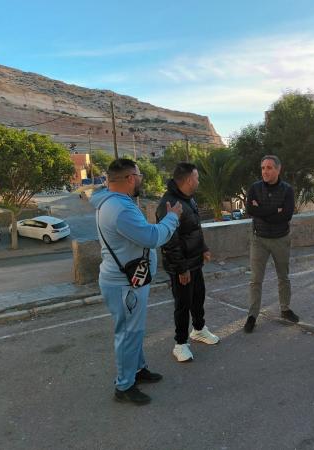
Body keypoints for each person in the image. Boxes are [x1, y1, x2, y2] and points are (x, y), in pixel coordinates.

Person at [90, 158, 182, 405]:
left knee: (133, 330)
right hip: (125, 285)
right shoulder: (121, 209)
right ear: (130, 178)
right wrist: (172, 217)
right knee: (128, 333)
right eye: (139, 175)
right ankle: (124, 385)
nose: (141, 179)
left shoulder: (111, 203)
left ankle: (138, 370)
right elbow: (152, 237)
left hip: (128, 281)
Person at [157, 162, 220, 363]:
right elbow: (169, 241)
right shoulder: (169, 205)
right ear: (188, 180)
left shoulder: (189, 200)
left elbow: (195, 230)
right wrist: (181, 268)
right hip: (181, 266)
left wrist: (204, 248)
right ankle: (180, 343)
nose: (199, 181)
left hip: (195, 262)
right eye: (197, 177)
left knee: (198, 297)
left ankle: (199, 329)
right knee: (182, 304)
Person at [244, 155, 298, 333]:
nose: (265, 171)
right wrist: (275, 210)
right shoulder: (254, 188)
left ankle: (285, 309)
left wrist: (262, 211)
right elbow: (250, 210)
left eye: (269, 168)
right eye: (262, 168)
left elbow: (287, 215)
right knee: (255, 280)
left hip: (281, 239)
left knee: (283, 277)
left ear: (278, 169)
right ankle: (252, 316)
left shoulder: (287, 190)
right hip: (258, 240)